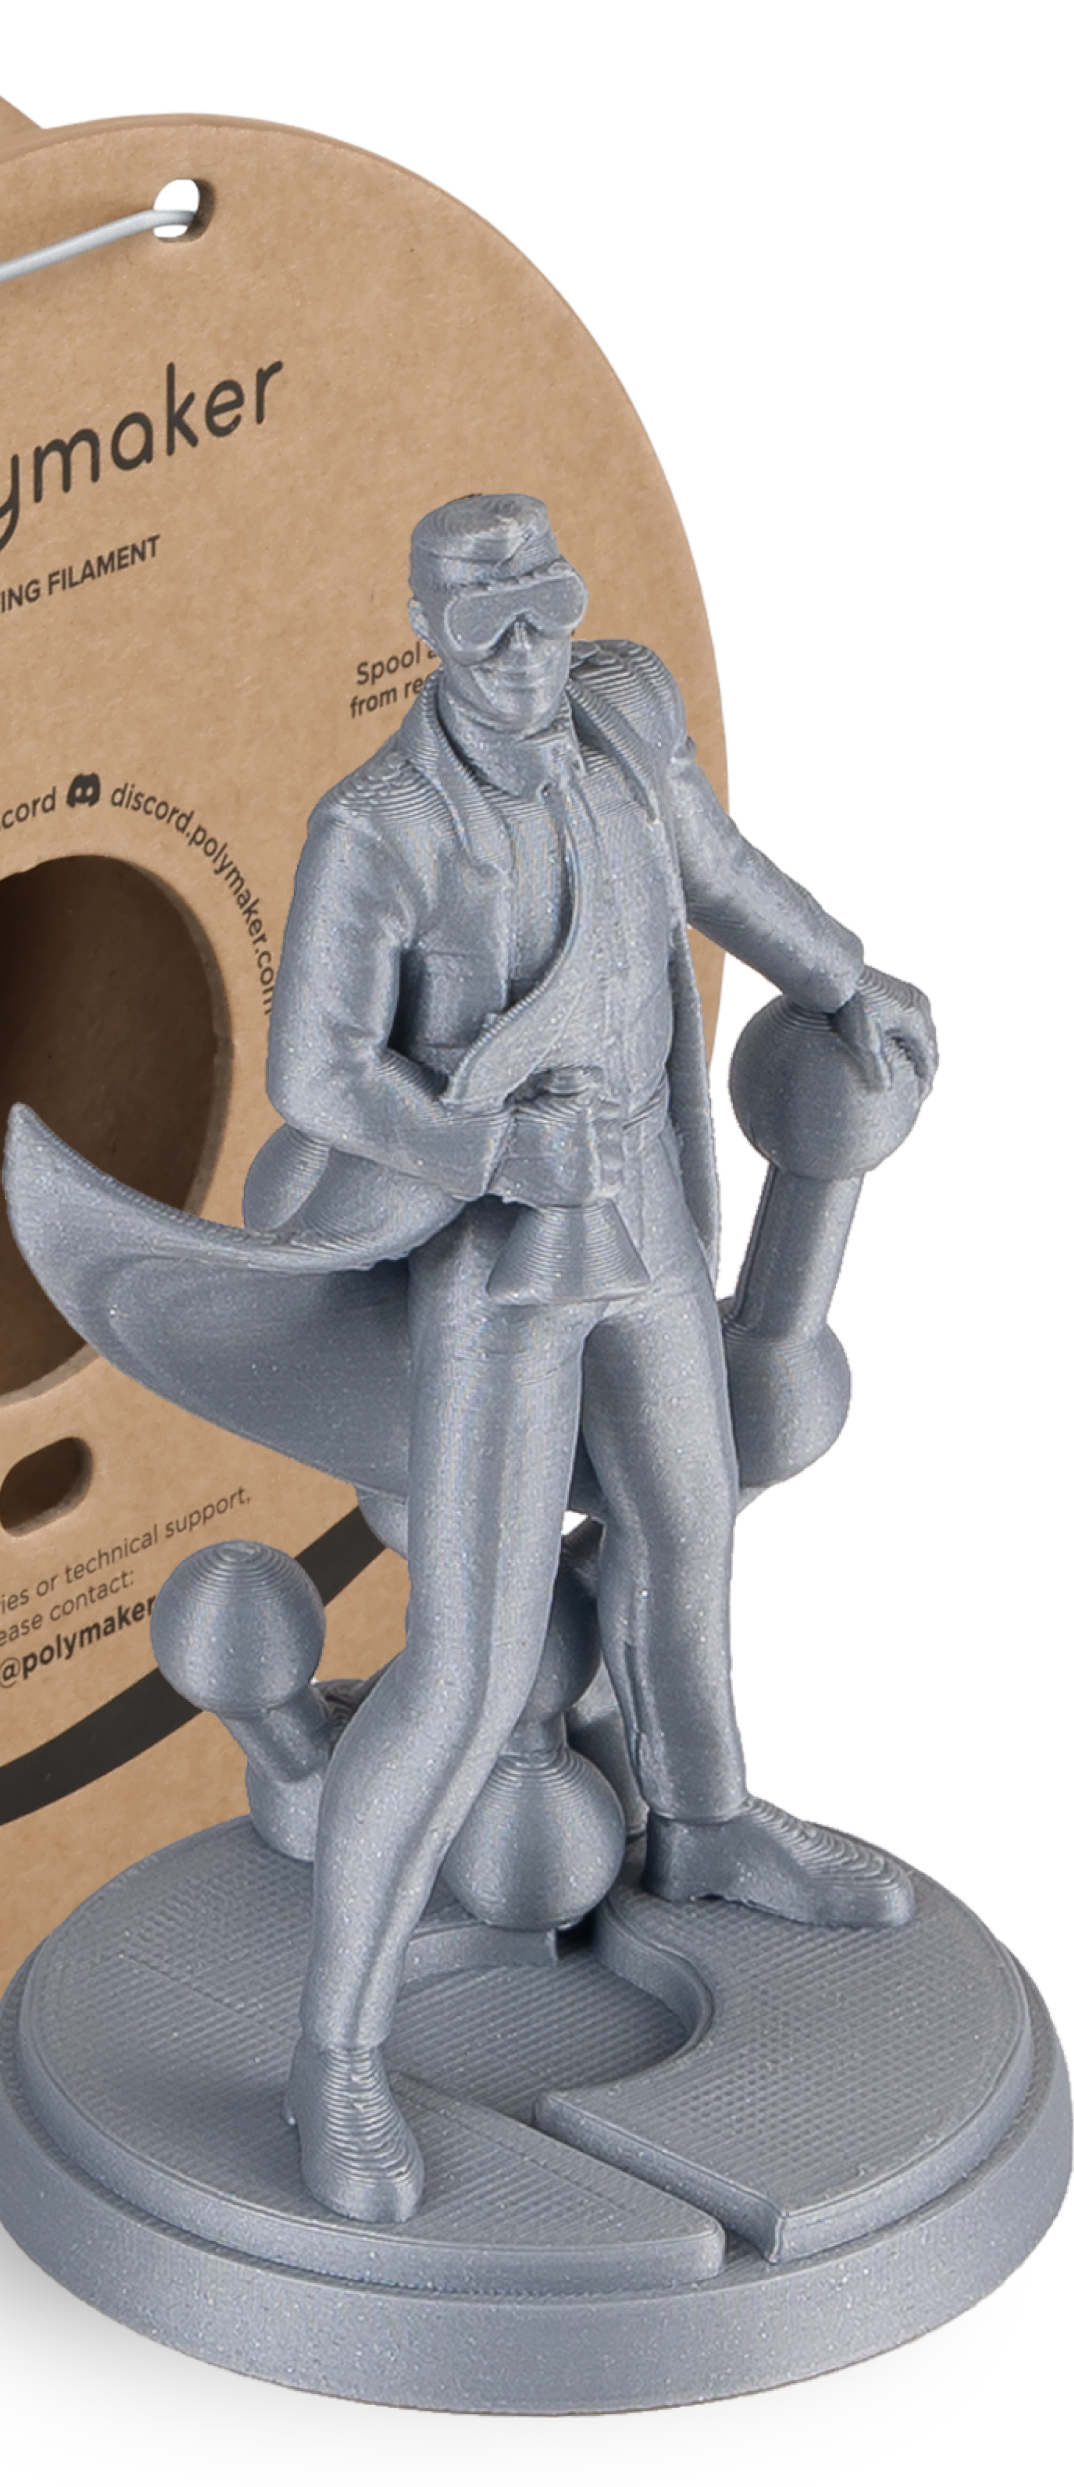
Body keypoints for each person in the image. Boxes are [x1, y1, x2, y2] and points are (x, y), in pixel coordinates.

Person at [266, 494, 939, 2222]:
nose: (523, 657)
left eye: (543, 614)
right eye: (485, 628)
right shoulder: (377, 828)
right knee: (470, 1662)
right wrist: (486, 1152)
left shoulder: (623, 707)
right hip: (495, 1262)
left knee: (687, 1522)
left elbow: (710, 864)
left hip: (640, 1213)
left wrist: (840, 973)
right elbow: (316, 1077)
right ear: (430, 634)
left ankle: (702, 1819)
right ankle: (335, 2053)